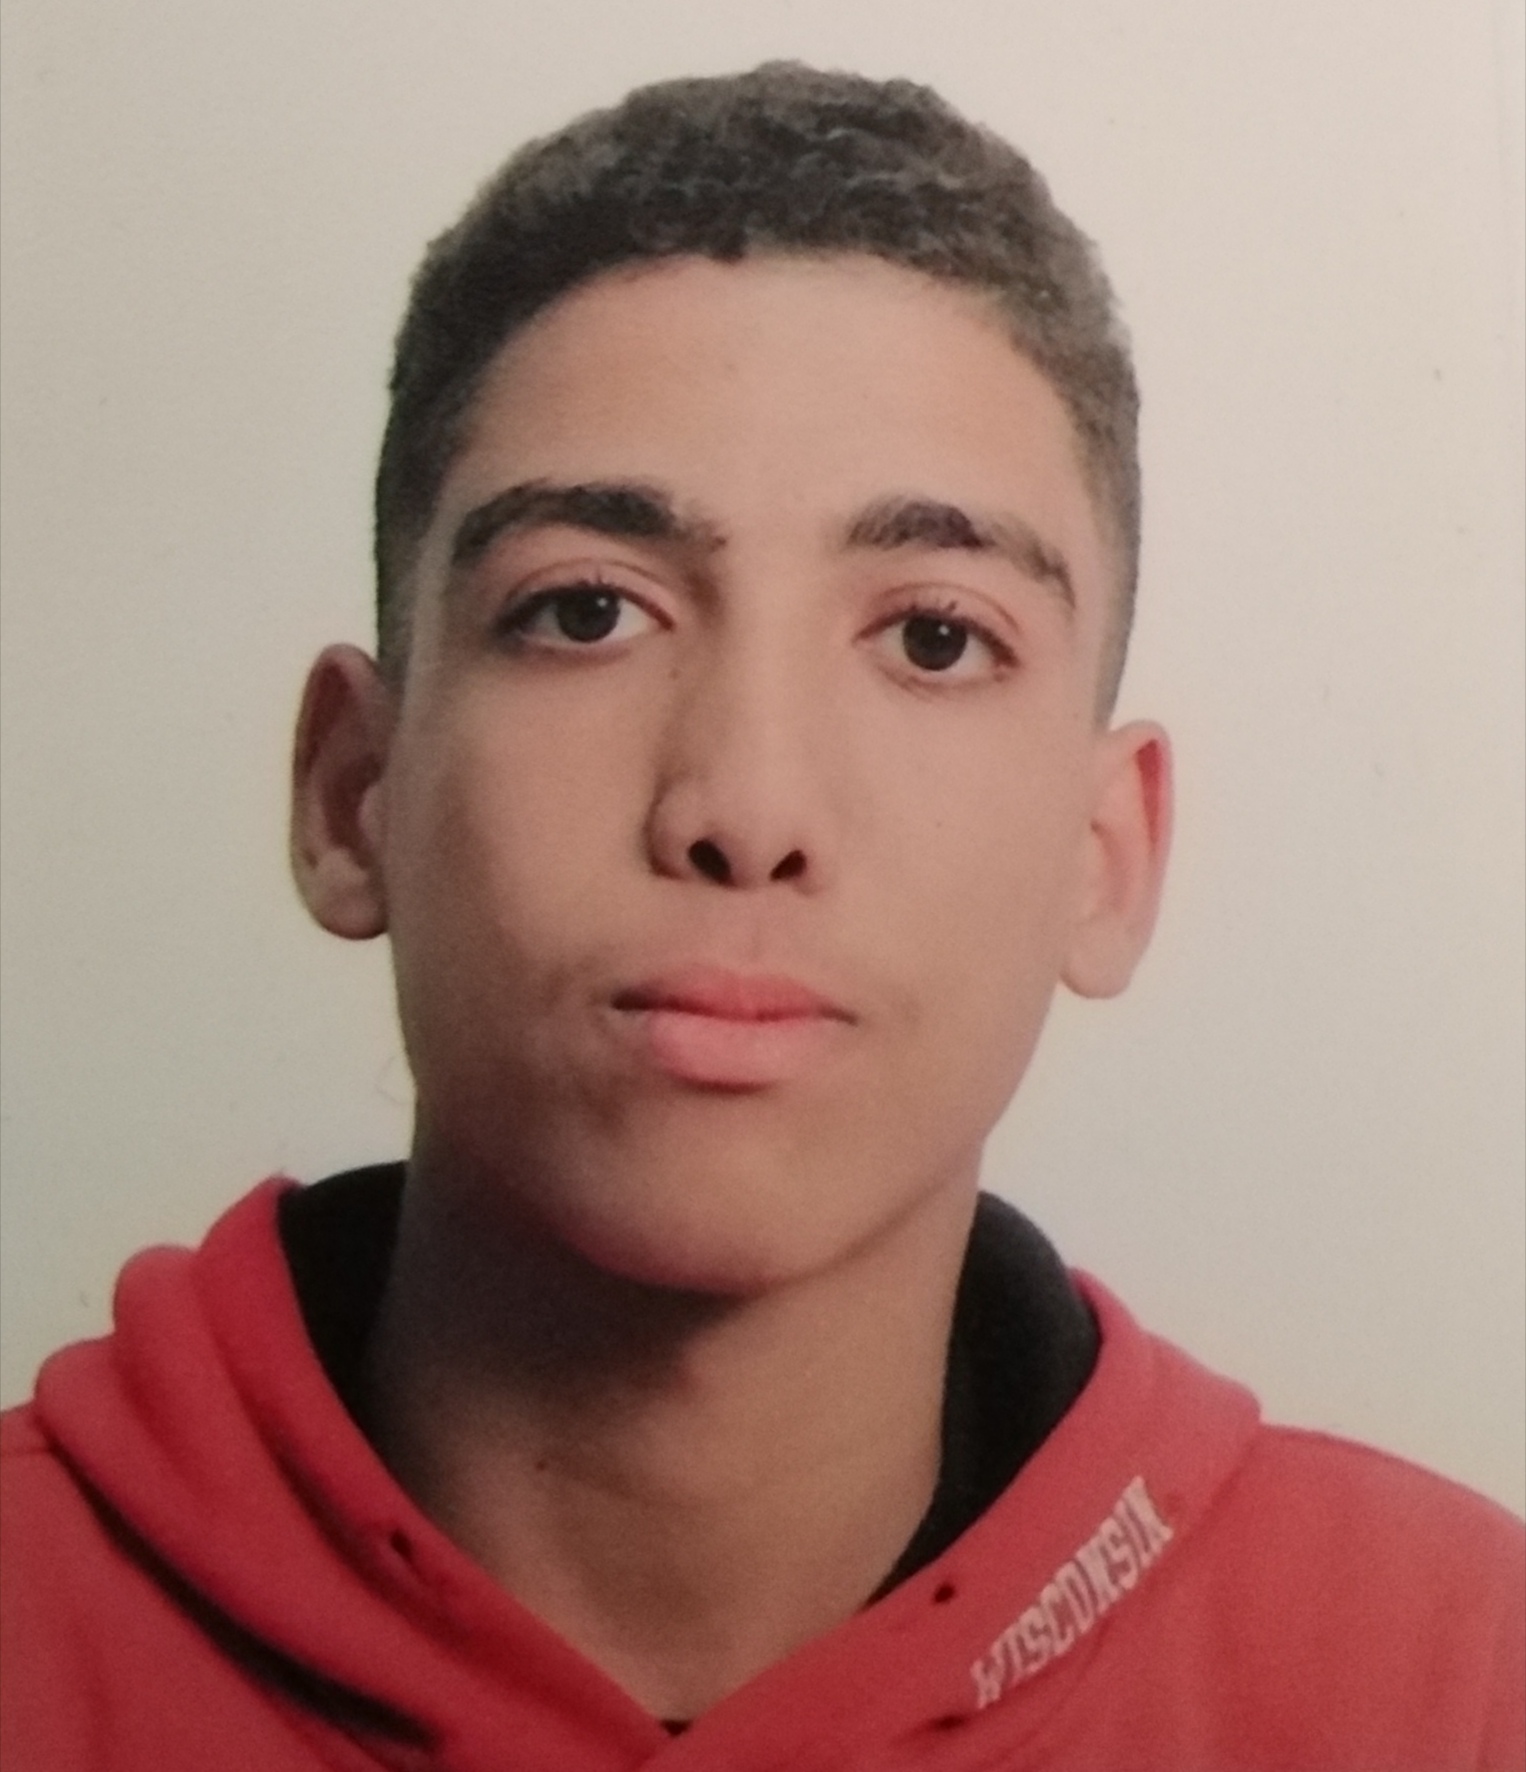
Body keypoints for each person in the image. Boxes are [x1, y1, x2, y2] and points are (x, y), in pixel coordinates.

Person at [2, 60, 1520, 1771]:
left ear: (1107, 854)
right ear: (351, 791)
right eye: (587, 612)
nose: (743, 807)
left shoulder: (1455, 1684)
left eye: (932, 638)